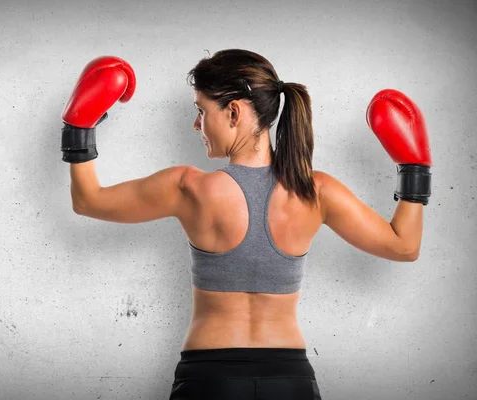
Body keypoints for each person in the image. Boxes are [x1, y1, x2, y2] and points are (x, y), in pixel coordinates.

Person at [59, 50, 432, 400]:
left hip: (209, 377)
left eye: (202, 111)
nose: (196, 124)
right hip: (289, 380)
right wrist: (415, 169)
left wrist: (79, 129)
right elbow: (404, 246)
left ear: (234, 112)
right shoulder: (316, 192)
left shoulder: (189, 188)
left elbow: (88, 200)